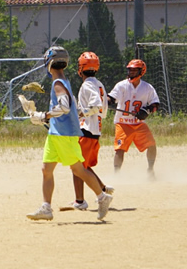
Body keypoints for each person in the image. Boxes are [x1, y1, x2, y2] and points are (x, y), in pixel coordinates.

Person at [26, 46, 113, 221]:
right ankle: (46, 208)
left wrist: (43, 116)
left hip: (64, 134)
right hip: (56, 133)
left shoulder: (58, 83)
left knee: (78, 169)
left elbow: (64, 106)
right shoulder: (63, 81)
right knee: (46, 169)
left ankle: (102, 197)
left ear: (48, 63)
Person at [70, 51, 114, 211]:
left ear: (80, 69)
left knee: (77, 167)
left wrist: (80, 113)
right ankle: (102, 188)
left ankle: (80, 201)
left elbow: (96, 106)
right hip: (95, 130)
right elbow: (104, 108)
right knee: (84, 166)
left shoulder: (87, 84)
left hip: (87, 130)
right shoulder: (99, 84)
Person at [108, 59, 160, 178]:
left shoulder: (147, 88)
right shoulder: (122, 85)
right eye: (130, 70)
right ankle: (116, 175)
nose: (131, 73)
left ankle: (150, 171)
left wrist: (147, 110)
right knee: (120, 149)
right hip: (122, 123)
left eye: (134, 70)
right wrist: (106, 101)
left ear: (141, 71)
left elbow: (155, 104)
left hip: (138, 124)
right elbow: (111, 98)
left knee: (152, 145)